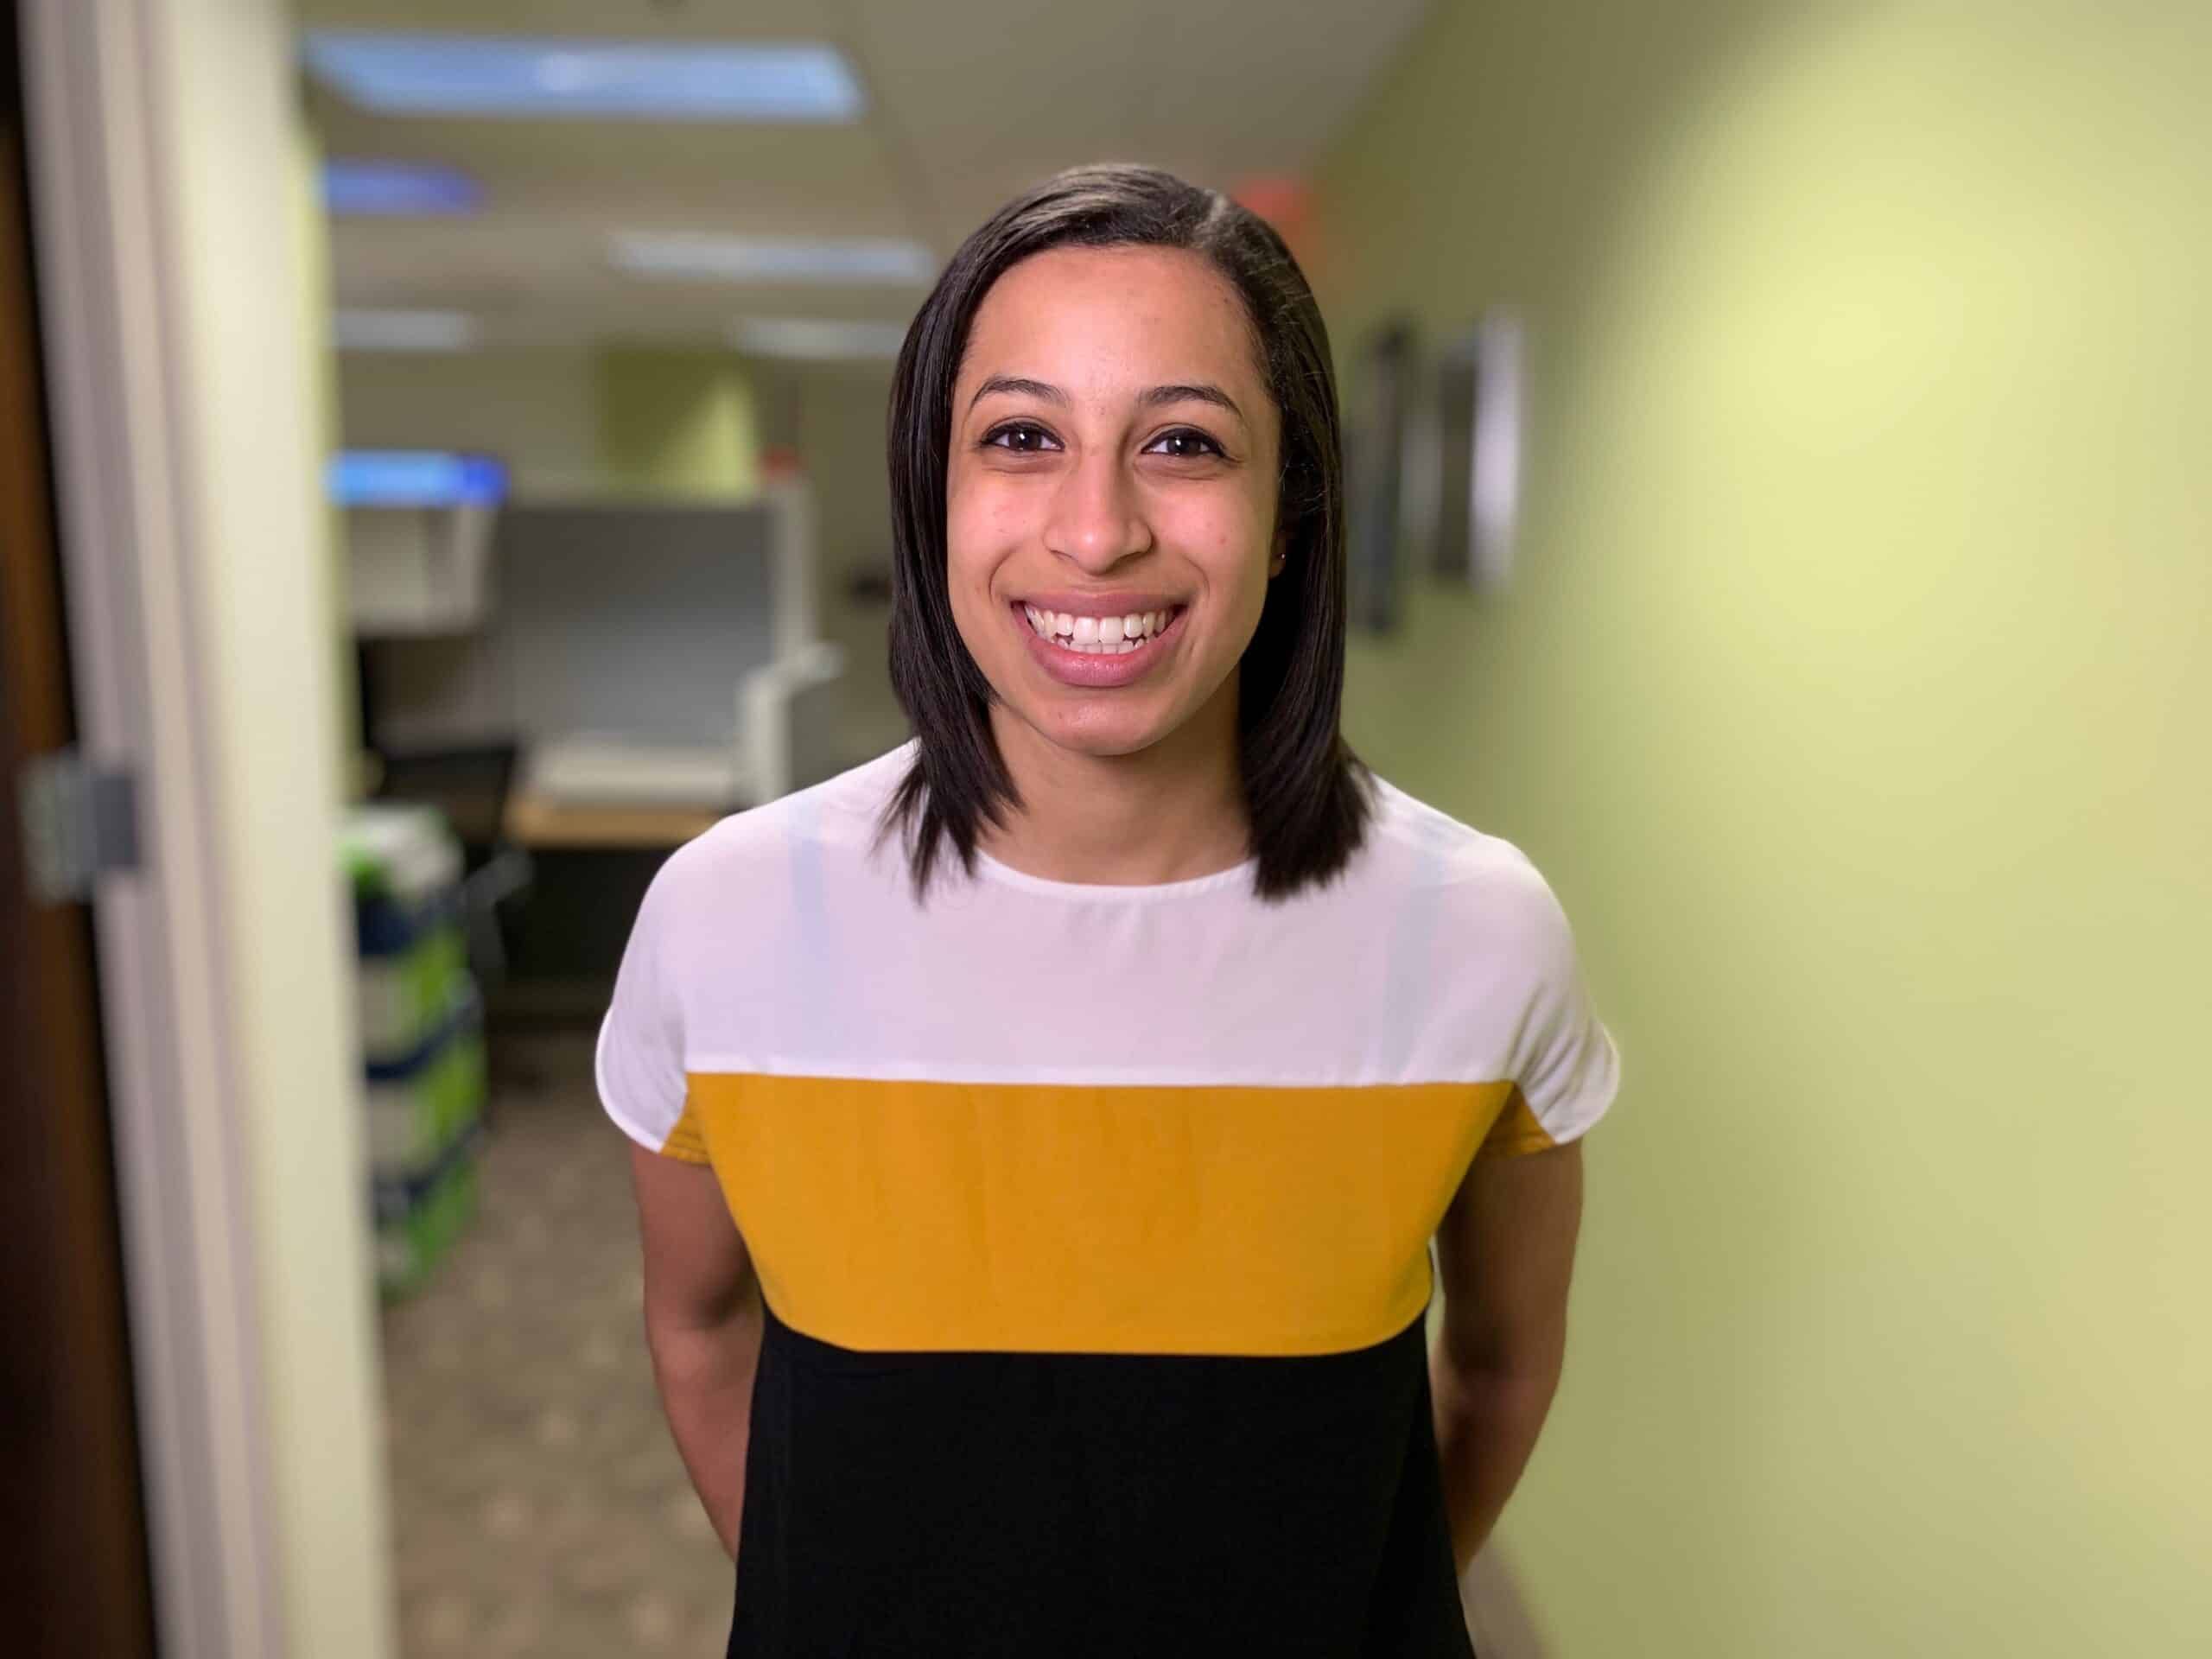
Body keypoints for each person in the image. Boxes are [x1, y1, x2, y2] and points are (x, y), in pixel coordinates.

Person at [600, 162, 1619, 1657]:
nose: (1095, 531)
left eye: (1184, 444)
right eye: (1020, 436)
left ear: (1288, 518)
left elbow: (1505, 1370)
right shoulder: (731, 913)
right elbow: (698, 1337)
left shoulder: (1470, 928)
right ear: (934, 495)